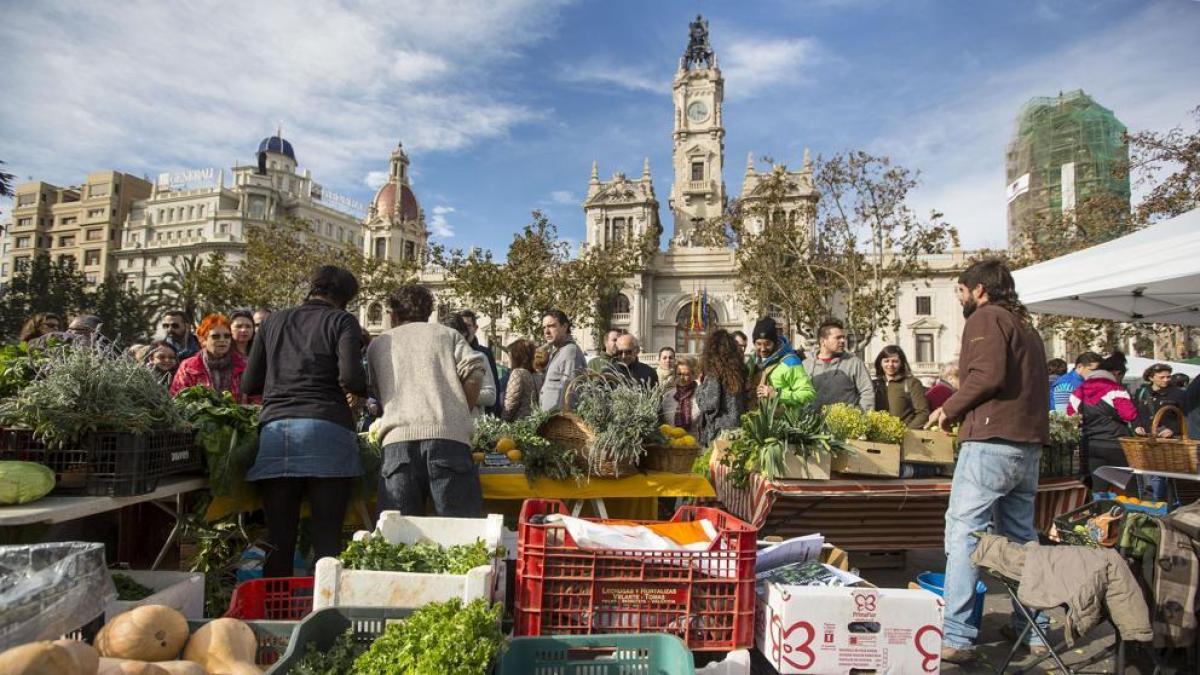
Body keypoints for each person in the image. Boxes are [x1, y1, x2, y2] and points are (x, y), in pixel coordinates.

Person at [927, 259, 1050, 664]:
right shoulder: (1027, 327)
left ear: (979, 289)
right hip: (1027, 445)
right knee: (1019, 537)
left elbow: (986, 376)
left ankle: (958, 636)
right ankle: (1034, 628)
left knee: (965, 535)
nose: (961, 299)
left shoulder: (986, 318)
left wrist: (948, 409)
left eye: (961, 291)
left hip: (991, 442)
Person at [241, 266, 368, 578]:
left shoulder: (272, 321)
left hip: (276, 432)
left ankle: (273, 617)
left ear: (313, 288)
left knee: (279, 537)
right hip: (327, 430)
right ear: (346, 299)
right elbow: (351, 378)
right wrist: (364, 390)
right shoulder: (342, 320)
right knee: (327, 539)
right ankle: (324, 614)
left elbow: (249, 383)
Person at [367, 284, 486, 517]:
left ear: (394, 314)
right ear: (429, 312)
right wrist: (459, 408)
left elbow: (377, 390)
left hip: (397, 443)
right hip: (449, 440)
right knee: (460, 535)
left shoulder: (379, 344)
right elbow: (475, 371)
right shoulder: (448, 335)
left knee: (399, 538)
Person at [1067, 351, 1136, 492]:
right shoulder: (1116, 389)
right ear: (1115, 373)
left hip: (1090, 444)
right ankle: (1127, 512)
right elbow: (1129, 415)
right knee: (1126, 488)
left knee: (1098, 487)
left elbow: (1070, 416)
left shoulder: (1079, 390)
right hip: (1115, 444)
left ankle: (1099, 511)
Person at [1133, 362, 1187, 500]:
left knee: (1171, 476)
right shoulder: (1142, 392)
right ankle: (1157, 504)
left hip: (1171, 441)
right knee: (1154, 475)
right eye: (1162, 377)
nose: (1166, 380)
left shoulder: (1178, 394)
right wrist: (1137, 425)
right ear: (1151, 378)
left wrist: (1173, 429)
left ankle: (1170, 503)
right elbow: (1135, 414)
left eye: (1168, 377)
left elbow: (1186, 416)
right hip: (1149, 440)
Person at [746, 316, 816, 409]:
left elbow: (809, 394)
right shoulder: (752, 362)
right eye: (758, 344)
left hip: (782, 422)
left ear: (775, 342)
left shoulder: (790, 362)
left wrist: (777, 395)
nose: (763, 349)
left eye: (767, 344)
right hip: (755, 420)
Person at [170, 313, 245, 399]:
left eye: (227, 336)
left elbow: (255, 398)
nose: (222, 340)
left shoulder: (242, 365)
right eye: (215, 336)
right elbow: (177, 399)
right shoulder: (188, 367)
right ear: (203, 340)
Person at [805, 319, 874, 411]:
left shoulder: (854, 363)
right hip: (812, 423)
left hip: (845, 423)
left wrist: (862, 418)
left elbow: (867, 392)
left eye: (843, 337)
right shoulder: (805, 365)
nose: (843, 341)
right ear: (823, 341)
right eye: (838, 338)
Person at [697, 329, 747, 446]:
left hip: (720, 432)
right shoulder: (739, 371)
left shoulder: (714, 373)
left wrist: (699, 388)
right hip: (738, 429)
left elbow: (709, 404)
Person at [444, 312, 497, 417]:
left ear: (462, 334)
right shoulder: (438, 357)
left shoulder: (480, 357)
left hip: (470, 424)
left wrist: (459, 394)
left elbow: (491, 395)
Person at [539, 309, 587, 411]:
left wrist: (565, 422)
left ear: (564, 327)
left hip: (560, 422)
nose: (546, 332)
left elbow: (572, 391)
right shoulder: (557, 351)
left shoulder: (570, 351)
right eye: (544, 327)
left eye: (551, 326)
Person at [872, 345, 930, 429]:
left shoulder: (912, 383)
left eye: (895, 361)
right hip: (877, 437)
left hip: (904, 436)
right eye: (886, 361)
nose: (890, 364)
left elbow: (923, 412)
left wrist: (907, 432)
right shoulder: (875, 385)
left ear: (901, 363)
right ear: (880, 363)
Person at [458, 309, 502, 416]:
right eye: (462, 327)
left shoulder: (484, 354)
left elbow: (493, 391)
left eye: (468, 326)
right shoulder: (449, 351)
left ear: (475, 328)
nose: (465, 331)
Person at [661, 356, 700, 437]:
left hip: (695, 444)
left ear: (694, 374)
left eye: (686, 374)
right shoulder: (668, 396)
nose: (682, 378)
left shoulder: (701, 394)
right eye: (679, 374)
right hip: (671, 444)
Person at [502, 339, 539, 422]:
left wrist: (503, 420)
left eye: (509, 356)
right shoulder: (537, 375)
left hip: (519, 423)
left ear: (516, 356)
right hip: (534, 421)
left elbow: (510, 403)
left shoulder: (517, 373)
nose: (509, 359)